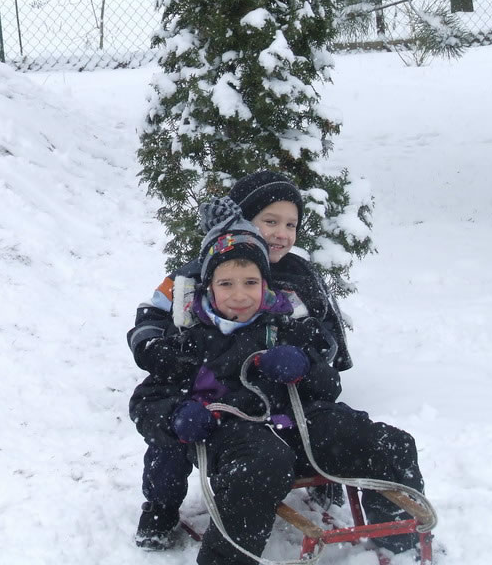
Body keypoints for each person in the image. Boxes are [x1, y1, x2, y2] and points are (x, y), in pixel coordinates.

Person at [129, 202, 426, 565]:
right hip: (229, 435)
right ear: (209, 287)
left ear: (265, 283)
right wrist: (178, 414)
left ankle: (401, 541)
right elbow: (147, 401)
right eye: (226, 284)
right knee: (263, 462)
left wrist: (305, 367)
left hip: (297, 425)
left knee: (388, 443)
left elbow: (328, 387)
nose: (240, 295)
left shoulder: (287, 325)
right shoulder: (190, 339)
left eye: (251, 282)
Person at [128, 171, 350, 549]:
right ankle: (161, 505)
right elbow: (152, 314)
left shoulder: (298, 277)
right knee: (171, 436)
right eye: (270, 221)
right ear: (242, 220)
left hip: (273, 386)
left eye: (291, 225)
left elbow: (322, 330)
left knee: (318, 419)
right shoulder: (193, 276)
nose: (281, 234)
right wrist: (156, 349)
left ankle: (322, 471)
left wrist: (308, 359)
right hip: (203, 381)